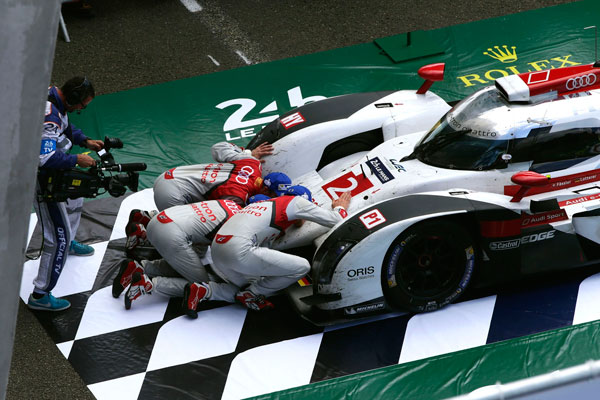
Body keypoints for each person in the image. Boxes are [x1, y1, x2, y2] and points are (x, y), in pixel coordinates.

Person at [182, 186, 351, 317]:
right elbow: (336, 220)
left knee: (251, 287)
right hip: (238, 250)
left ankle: (205, 290)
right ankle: (251, 294)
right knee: (301, 268)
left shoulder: (265, 205)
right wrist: (340, 207)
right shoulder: (297, 202)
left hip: (218, 251)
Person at [28, 76, 104, 311]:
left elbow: (66, 126)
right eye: (82, 104)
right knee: (56, 238)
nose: (82, 109)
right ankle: (40, 295)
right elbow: (45, 158)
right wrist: (76, 159)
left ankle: (69, 243)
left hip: (58, 173)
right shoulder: (49, 115)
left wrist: (85, 140)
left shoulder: (55, 98)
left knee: (75, 199)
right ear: (72, 98)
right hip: (44, 181)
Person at [112, 198, 243, 309]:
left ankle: (141, 266)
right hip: (172, 236)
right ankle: (149, 284)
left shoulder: (230, 203)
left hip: (160, 219)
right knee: (202, 284)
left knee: (196, 257)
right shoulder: (238, 225)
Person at [152, 141, 291, 210]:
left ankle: (146, 218)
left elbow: (218, 147)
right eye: (275, 195)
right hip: (173, 193)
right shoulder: (238, 195)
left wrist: (247, 153)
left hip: (174, 173)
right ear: (266, 190)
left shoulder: (253, 163)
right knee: (195, 241)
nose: (275, 199)